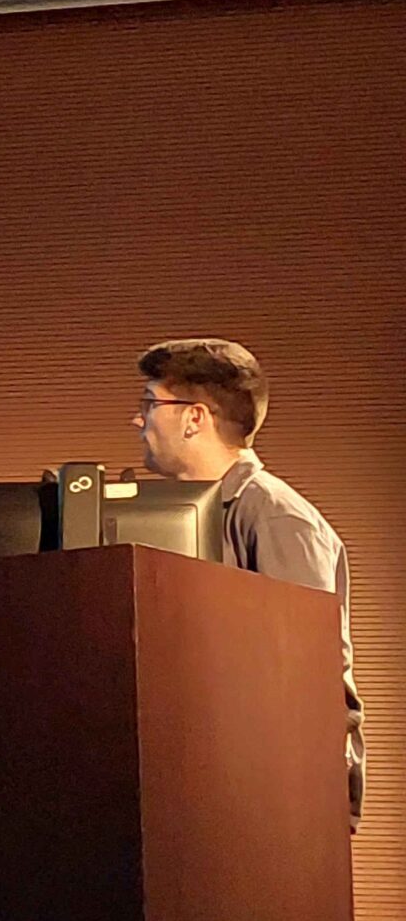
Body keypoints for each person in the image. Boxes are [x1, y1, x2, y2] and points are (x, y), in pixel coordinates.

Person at [135, 338, 362, 830]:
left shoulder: (277, 517)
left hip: (274, 801)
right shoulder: (185, 515)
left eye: (151, 403)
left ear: (194, 418)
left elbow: (301, 673)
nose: (139, 420)